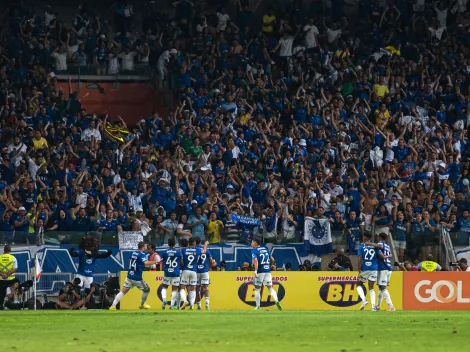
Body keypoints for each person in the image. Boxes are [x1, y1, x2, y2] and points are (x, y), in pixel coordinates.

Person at [110, 242, 161, 310]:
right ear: (143, 247)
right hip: (137, 278)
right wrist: (156, 262)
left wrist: (134, 267)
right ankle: (142, 305)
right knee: (147, 290)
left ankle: (113, 306)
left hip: (129, 276)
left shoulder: (134, 253)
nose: (146, 247)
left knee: (122, 292)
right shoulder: (142, 254)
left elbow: (129, 260)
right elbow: (146, 263)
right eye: (145, 246)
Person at [251, 237, 282, 311]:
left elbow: (255, 260)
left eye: (252, 242)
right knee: (270, 288)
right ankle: (276, 301)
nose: (251, 243)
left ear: (255, 242)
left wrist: (255, 271)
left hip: (260, 271)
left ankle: (258, 307)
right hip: (267, 271)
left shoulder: (254, 250)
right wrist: (270, 265)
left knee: (257, 288)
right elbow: (272, 259)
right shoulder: (265, 249)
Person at [366, 233, 395, 311]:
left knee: (382, 287)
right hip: (388, 268)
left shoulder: (380, 243)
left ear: (380, 237)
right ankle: (378, 305)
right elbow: (388, 254)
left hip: (383, 268)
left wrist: (369, 243)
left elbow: (380, 246)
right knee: (380, 287)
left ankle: (391, 306)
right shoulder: (388, 246)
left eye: (378, 237)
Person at [179, 237, 208, 310]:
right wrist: (205, 244)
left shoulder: (183, 250)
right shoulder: (197, 250)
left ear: (189, 243)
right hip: (194, 271)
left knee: (182, 287)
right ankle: (192, 305)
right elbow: (204, 251)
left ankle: (185, 301)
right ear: (194, 243)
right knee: (193, 289)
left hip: (185, 270)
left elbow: (180, 259)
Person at [356, 232, 380, 311]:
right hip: (374, 269)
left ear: (365, 238)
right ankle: (373, 307)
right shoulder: (375, 246)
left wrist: (359, 272)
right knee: (371, 288)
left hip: (365, 268)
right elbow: (380, 250)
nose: (362, 238)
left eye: (363, 237)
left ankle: (364, 300)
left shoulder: (361, 246)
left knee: (358, 284)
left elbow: (359, 260)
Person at [160, 237, 183, 310]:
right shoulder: (178, 252)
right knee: (174, 289)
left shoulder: (164, 252)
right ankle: (172, 306)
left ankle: (164, 299)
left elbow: (162, 261)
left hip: (167, 272)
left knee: (164, 287)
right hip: (176, 272)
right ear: (175, 243)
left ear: (168, 244)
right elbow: (182, 263)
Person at [195, 236, 214, 310]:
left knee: (197, 289)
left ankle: (199, 305)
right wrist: (208, 268)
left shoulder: (193, 250)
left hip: (196, 272)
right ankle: (207, 303)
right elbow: (212, 262)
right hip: (204, 271)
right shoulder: (206, 250)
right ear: (200, 242)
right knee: (205, 288)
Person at [0, 245, 17, 310]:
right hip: (11, 279)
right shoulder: (13, 258)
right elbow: (14, 269)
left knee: (1, 294)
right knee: (13, 290)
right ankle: (12, 304)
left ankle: (0, 306)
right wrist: (7, 275)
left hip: (1, 279)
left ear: (4, 250)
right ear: (10, 250)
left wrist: (2, 274)